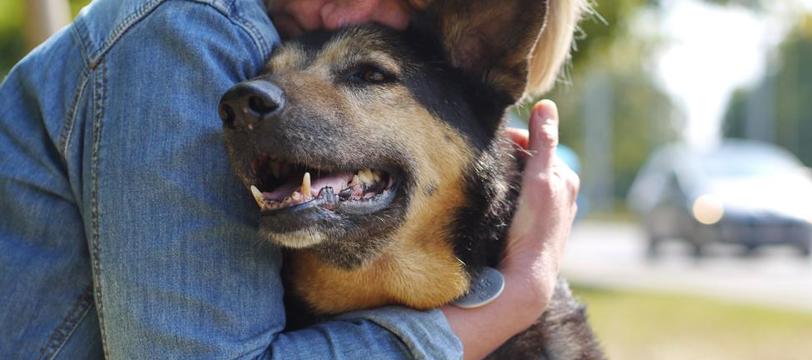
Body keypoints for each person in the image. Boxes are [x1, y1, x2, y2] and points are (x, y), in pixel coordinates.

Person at [0, 0, 580, 359]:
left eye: (368, 74)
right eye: (269, 78)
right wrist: (512, 301)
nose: (254, 101)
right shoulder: (188, 28)